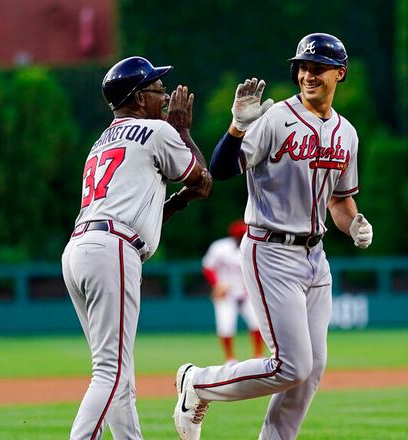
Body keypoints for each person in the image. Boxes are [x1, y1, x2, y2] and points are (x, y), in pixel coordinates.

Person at [173, 33, 373, 440]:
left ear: (340, 73)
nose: (307, 74)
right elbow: (223, 169)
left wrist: (353, 222)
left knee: (311, 370)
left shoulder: (346, 134)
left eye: (317, 67)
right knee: (292, 365)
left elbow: (340, 202)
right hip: (271, 251)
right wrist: (235, 128)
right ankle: (197, 383)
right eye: (302, 66)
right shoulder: (275, 118)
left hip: (316, 258)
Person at [62, 56, 212, 440]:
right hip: (113, 249)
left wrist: (176, 202)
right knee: (110, 372)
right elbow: (203, 181)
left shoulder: (100, 142)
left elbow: (147, 205)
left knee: (118, 374)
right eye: (157, 89)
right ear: (138, 97)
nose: (164, 96)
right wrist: (182, 131)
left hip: (80, 249)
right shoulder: (157, 132)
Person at [202, 219, 264, 364]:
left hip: (247, 292)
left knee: (257, 323)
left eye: (244, 234)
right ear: (233, 236)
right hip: (226, 292)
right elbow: (207, 266)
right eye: (240, 235)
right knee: (225, 326)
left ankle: (258, 355)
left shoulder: (253, 247)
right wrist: (216, 284)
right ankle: (230, 359)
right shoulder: (220, 247)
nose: (242, 237)